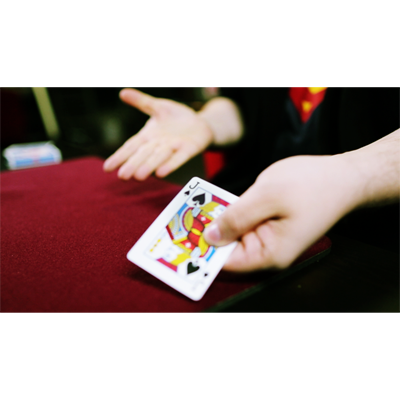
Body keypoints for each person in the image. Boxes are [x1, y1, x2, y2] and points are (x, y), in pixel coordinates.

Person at [104, 86, 400, 273]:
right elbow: (245, 104)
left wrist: (352, 175)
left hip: (374, 244)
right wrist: (206, 123)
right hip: (254, 211)